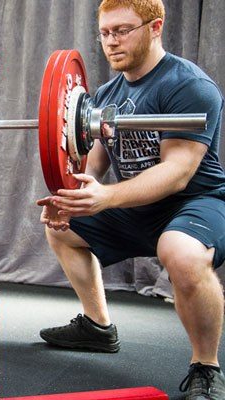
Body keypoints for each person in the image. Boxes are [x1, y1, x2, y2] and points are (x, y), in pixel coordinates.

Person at [37, 1, 225, 398]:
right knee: (62, 226)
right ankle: (97, 326)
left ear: (155, 27)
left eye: (122, 30)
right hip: (135, 206)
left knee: (183, 254)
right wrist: (74, 195)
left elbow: (178, 172)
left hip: (196, 201)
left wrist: (105, 198)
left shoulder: (188, 85)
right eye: (105, 32)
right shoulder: (106, 94)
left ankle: (206, 367)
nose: (111, 41)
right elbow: (96, 163)